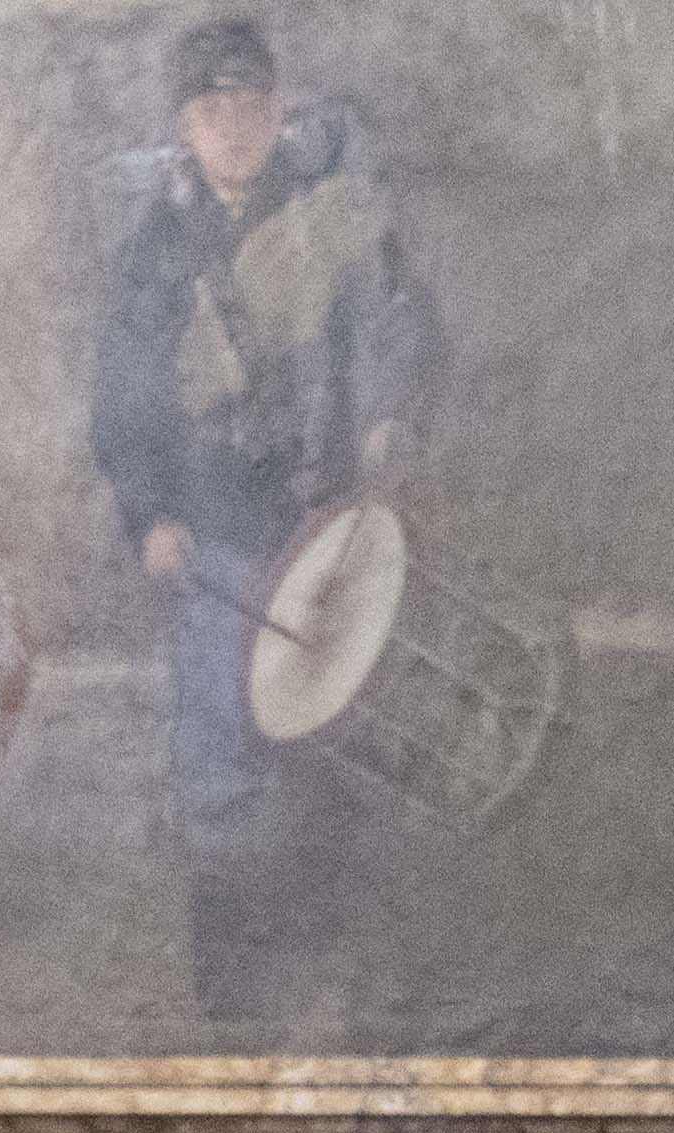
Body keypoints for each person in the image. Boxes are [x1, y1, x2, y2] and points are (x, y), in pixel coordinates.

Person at [87, 14, 435, 1020]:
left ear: (278, 113)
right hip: (211, 523)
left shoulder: (333, 214)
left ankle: (334, 922)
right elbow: (122, 398)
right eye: (210, 111)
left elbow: (390, 326)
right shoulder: (154, 251)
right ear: (183, 128)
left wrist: (385, 425)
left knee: (338, 701)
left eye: (249, 107)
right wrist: (149, 512)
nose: (233, 128)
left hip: (323, 505)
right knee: (216, 727)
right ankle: (227, 950)